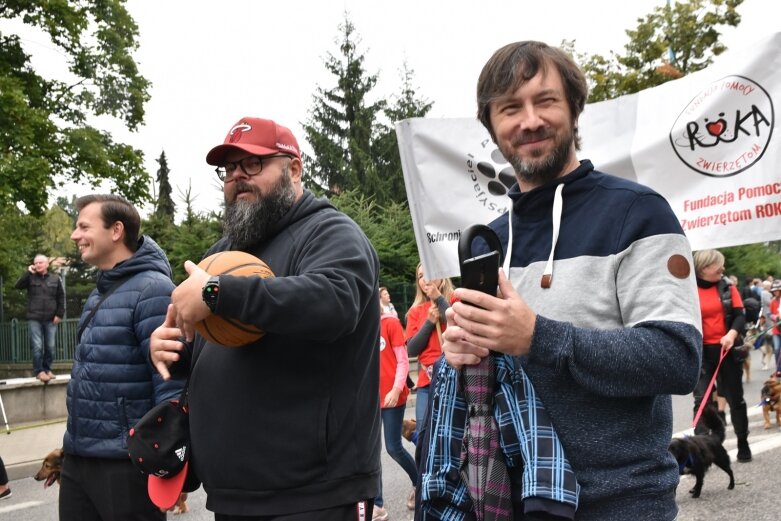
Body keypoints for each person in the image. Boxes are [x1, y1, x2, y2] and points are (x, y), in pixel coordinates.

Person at [436, 41, 702, 520]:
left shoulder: (638, 213)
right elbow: (492, 377)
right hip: (511, 502)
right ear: (492, 127)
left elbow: (677, 359)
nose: (530, 120)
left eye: (546, 101)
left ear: (575, 109)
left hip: (621, 504)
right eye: (510, 108)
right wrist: (461, 355)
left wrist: (537, 336)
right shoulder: (486, 244)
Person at [149, 117, 381, 520]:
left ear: (294, 169)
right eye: (230, 168)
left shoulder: (330, 232)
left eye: (253, 164)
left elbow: (334, 302)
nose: (238, 176)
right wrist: (175, 350)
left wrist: (218, 292)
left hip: (313, 495)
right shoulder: (225, 251)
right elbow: (228, 342)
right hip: (234, 495)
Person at [60, 194, 182, 521]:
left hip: (126, 466)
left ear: (116, 231)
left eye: (84, 226)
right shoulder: (100, 290)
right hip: (78, 457)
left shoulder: (153, 290)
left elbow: (170, 383)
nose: (75, 235)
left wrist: (171, 466)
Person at [691, 249, 752, 461]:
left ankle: (743, 444)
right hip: (701, 352)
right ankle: (699, 451)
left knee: (735, 398)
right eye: (719, 265)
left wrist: (732, 334)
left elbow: (739, 315)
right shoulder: (688, 289)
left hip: (726, 349)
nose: (723, 269)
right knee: (702, 400)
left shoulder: (728, 286)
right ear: (704, 268)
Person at [374, 299, 417, 521]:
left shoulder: (389, 323)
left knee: (393, 447)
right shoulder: (358, 326)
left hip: (393, 397)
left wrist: (395, 389)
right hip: (369, 401)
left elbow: (402, 361)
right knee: (370, 454)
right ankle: (377, 505)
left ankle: (419, 482)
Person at [406, 263, 453, 438]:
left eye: (428, 273)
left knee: (451, 433)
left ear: (441, 275)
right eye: (419, 276)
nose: (424, 280)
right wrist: (429, 323)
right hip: (427, 380)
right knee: (423, 433)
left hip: (453, 377)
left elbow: (460, 323)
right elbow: (412, 349)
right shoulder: (415, 312)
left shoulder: (455, 300)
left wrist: (440, 299)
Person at [15, 254, 64, 382]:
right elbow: (18, 286)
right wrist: (28, 272)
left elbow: (60, 297)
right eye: (36, 263)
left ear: (47, 264)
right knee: (37, 346)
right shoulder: (30, 278)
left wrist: (59, 314)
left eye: (40, 263)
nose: (38, 265)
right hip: (34, 317)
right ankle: (39, 371)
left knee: (50, 346)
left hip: (50, 318)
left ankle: (47, 369)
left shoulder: (55, 279)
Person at [770, 280, 781, 370]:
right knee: (777, 349)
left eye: (777, 290)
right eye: (774, 291)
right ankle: (778, 370)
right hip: (776, 329)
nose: (775, 292)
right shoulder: (772, 301)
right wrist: (775, 317)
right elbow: (769, 314)